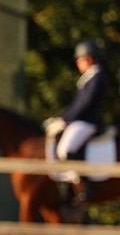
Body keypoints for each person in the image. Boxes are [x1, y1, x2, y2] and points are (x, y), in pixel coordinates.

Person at [45, 39, 112, 203]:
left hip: (88, 122)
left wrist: (65, 120)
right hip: (81, 120)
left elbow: (85, 104)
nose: (78, 64)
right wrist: (61, 118)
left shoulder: (97, 77)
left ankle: (84, 185)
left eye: (79, 60)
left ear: (88, 59)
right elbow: (76, 104)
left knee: (66, 150)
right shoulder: (89, 77)